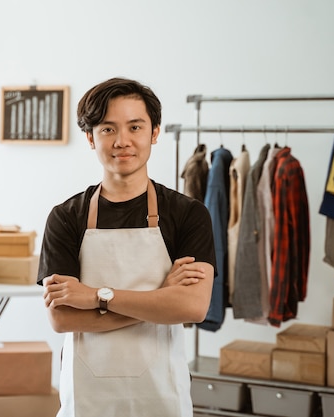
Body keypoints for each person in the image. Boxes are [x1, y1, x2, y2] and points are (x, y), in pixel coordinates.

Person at [38, 77, 216, 417]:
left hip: (162, 396)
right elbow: (62, 318)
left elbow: (193, 307)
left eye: (135, 126)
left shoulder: (188, 214)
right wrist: (160, 299)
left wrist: (96, 298)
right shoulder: (65, 218)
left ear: (154, 133)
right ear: (90, 138)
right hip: (88, 399)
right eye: (108, 129)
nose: (122, 141)